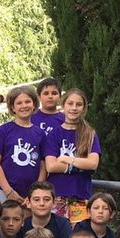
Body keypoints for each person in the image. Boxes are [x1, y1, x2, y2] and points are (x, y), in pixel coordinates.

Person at [44, 89, 101, 223]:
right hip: (57, 195)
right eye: (70, 103)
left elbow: (93, 163)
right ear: (63, 105)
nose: (74, 108)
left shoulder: (89, 134)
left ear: (84, 108)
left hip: (80, 194)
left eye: (78, 104)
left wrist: (67, 159)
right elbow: (51, 166)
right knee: (57, 233)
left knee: (79, 233)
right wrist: (80, 166)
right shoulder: (54, 134)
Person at [0, 86, 47, 204]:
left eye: (27, 102)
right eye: (19, 103)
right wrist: (8, 191)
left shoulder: (40, 133)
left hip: (31, 196)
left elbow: (43, 165)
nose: (24, 106)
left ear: (34, 104)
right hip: (4, 192)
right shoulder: (3, 130)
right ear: (13, 107)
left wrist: (35, 192)